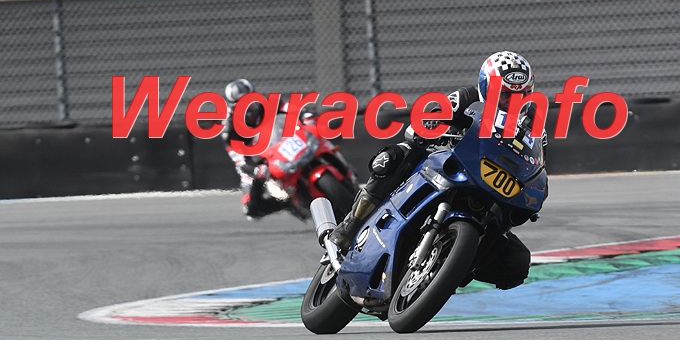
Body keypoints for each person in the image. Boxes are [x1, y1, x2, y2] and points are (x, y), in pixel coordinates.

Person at [328, 51, 548, 290]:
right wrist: (430, 124)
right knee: (392, 158)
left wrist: (536, 186)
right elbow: (430, 118)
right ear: (487, 87)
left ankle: (455, 266)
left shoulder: (534, 125)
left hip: (490, 187)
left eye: (520, 95)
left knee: (517, 262)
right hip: (448, 164)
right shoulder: (468, 98)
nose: (511, 102)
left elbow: (537, 164)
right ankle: (351, 225)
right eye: (505, 95)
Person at [221, 78, 289, 220]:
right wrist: (256, 169)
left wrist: (305, 115)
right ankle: (288, 203)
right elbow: (239, 160)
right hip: (258, 162)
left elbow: (293, 111)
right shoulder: (229, 129)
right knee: (249, 208)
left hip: (284, 148)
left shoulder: (272, 104)